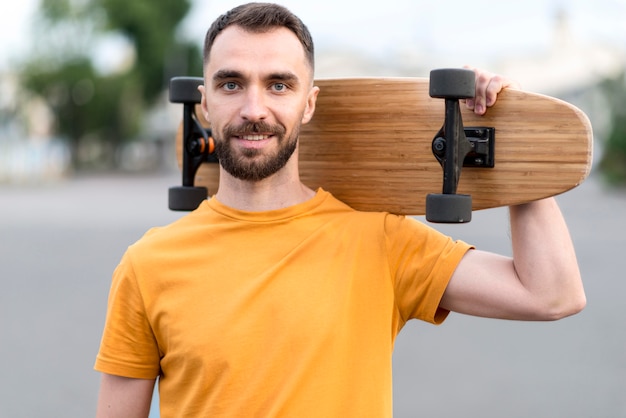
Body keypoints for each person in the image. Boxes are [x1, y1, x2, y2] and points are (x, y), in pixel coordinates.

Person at [94, 2, 586, 417]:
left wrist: (521, 144)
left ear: (309, 104)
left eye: (279, 85)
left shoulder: (379, 241)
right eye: (231, 84)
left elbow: (551, 295)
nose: (254, 109)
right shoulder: (149, 264)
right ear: (203, 106)